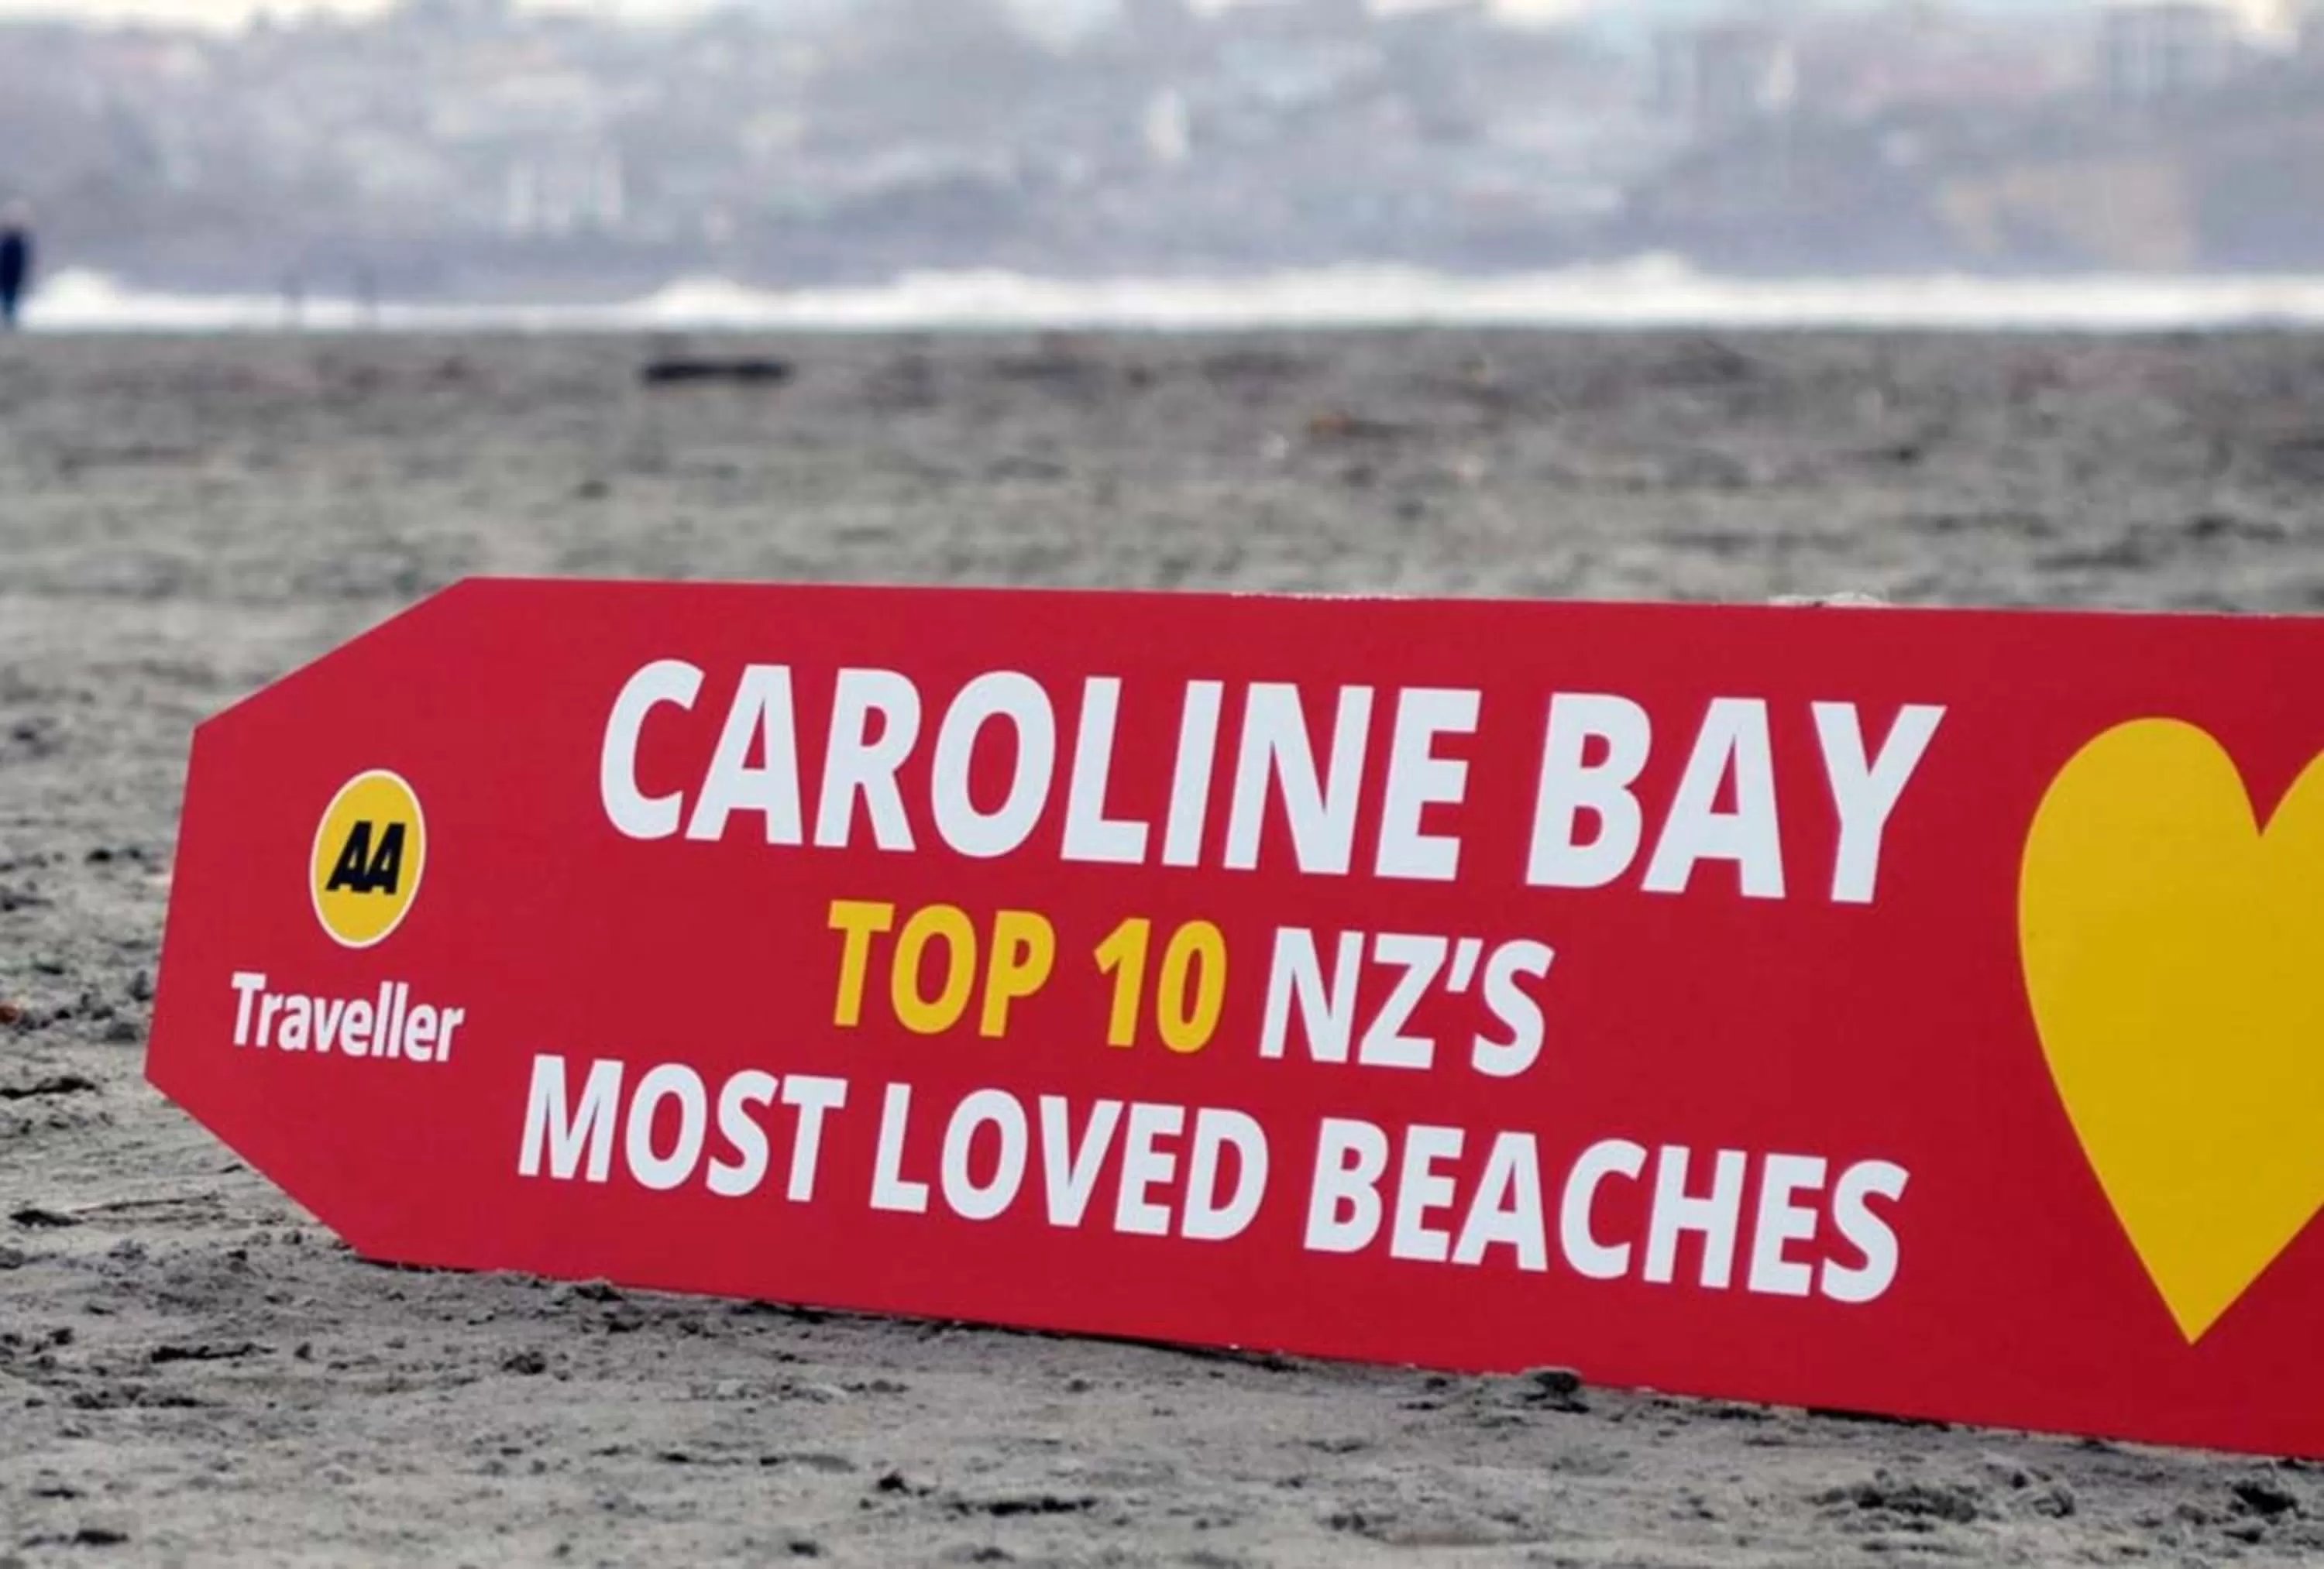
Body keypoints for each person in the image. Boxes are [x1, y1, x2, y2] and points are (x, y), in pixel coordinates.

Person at [1, 204, 33, 330]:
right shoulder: (9, 242)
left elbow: (22, 262)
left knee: (11, 301)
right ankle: (9, 323)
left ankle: (10, 323)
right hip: (7, 276)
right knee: (9, 301)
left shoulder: (17, 242)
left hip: (13, 277)